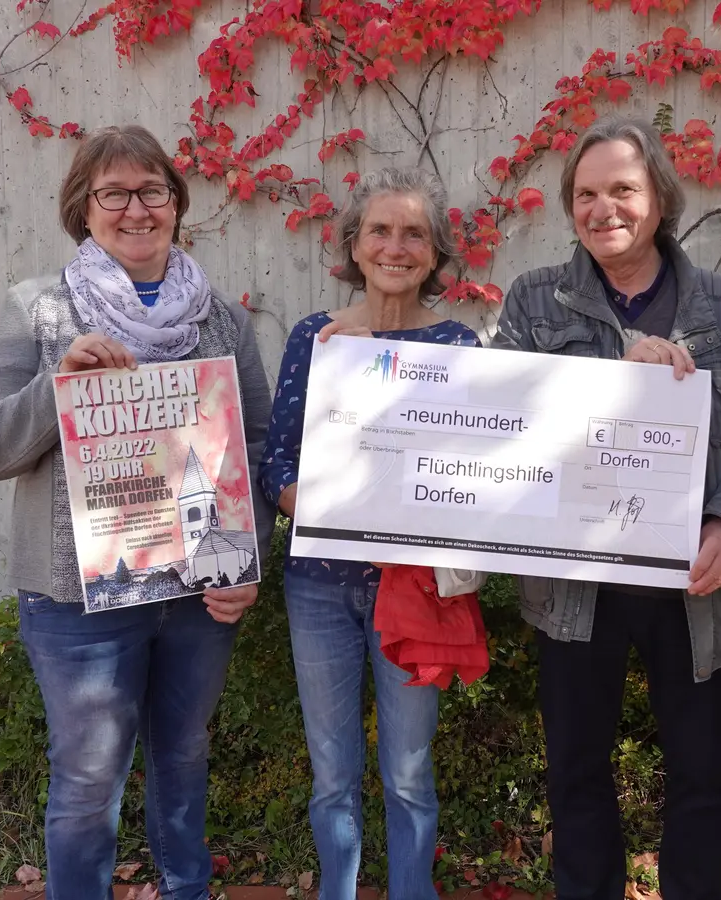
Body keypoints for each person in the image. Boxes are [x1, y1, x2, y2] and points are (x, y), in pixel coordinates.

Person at [0, 124, 276, 900]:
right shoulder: (38, 310)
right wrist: (55, 385)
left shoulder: (223, 322)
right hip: (77, 599)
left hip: (197, 593)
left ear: (175, 202)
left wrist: (247, 560)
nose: (136, 208)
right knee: (89, 776)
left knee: (185, 756)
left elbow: (259, 449)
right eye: (114, 193)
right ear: (84, 208)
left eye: (152, 190)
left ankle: (185, 888)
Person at [490, 118, 721, 900]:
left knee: (700, 781)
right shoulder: (533, 304)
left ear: (659, 196)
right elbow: (507, 434)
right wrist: (611, 381)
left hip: (696, 589)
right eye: (584, 194)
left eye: (622, 189)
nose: (603, 209)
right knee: (577, 777)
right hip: (574, 594)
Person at [257, 167, 480, 900]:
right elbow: (277, 463)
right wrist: (332, 517)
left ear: (436, 252)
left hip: (416, 591)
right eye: (379, 230)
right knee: (332, 772)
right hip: (321, 586)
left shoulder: (459, 347)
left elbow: (482, 471)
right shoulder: (314, 339)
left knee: (410, 769)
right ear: (352, 246)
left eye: (414, 233)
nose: (396, 246)